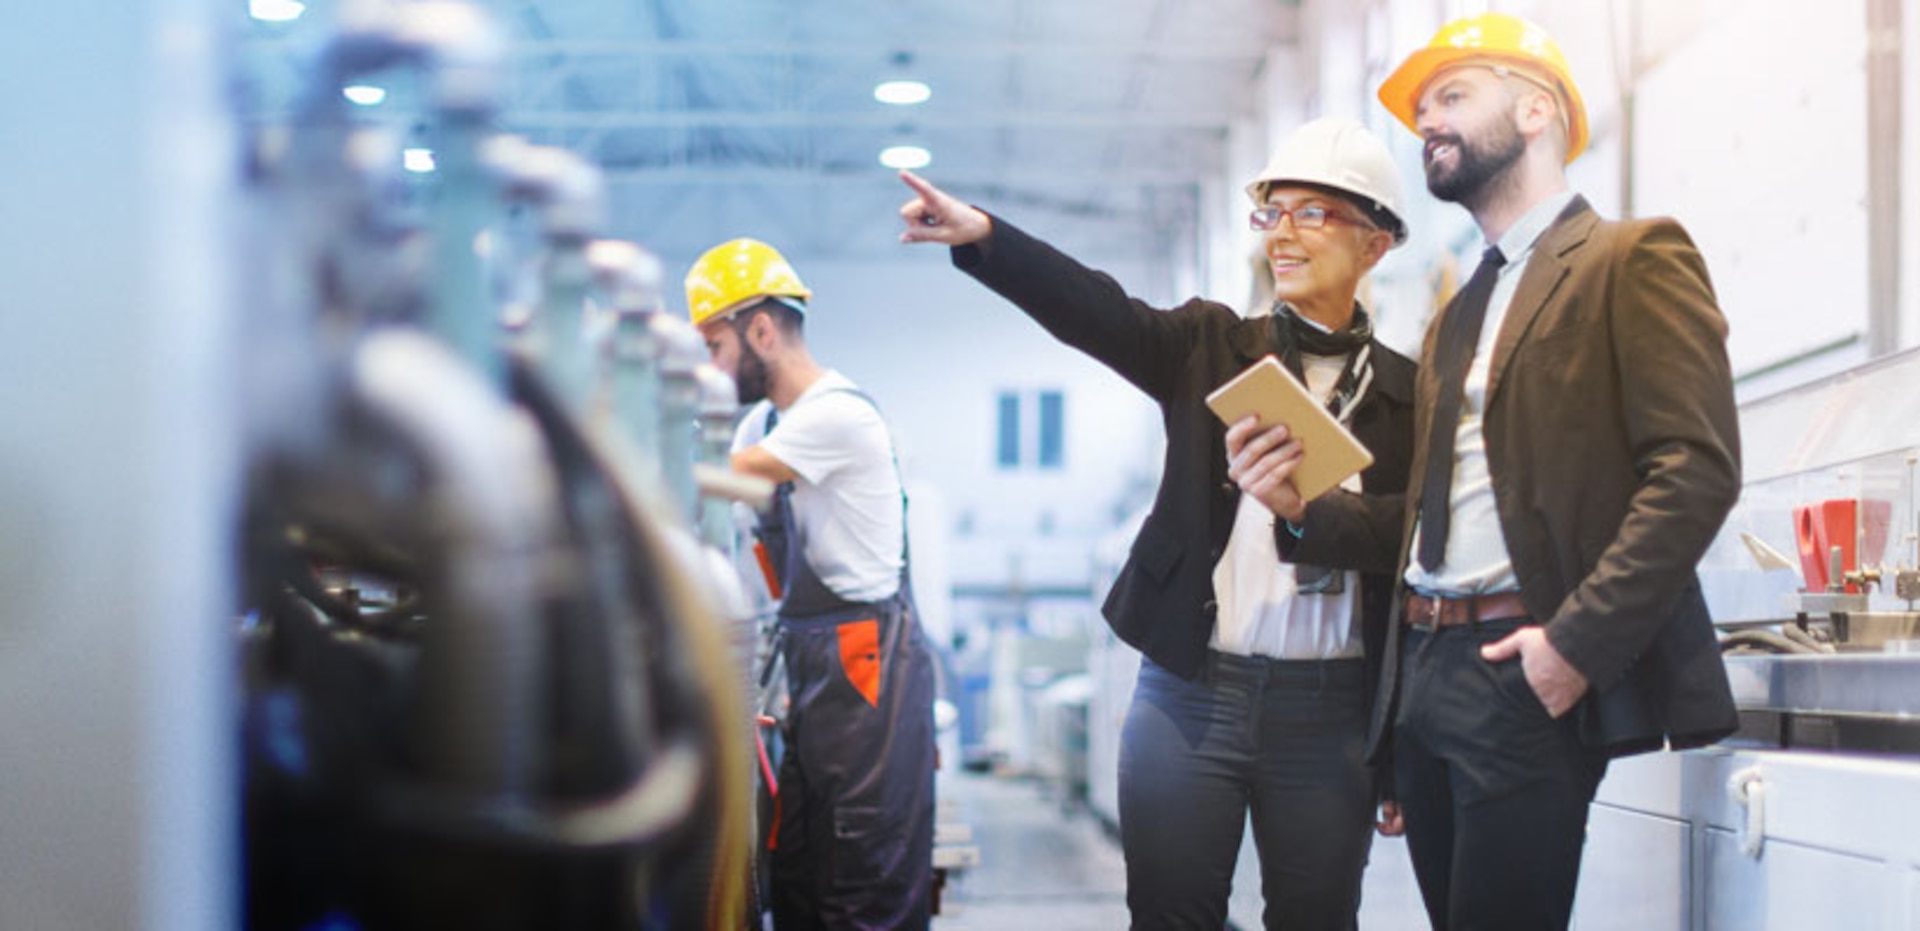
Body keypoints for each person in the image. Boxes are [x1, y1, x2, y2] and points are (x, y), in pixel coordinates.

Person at [1242, 13, 1743, 929]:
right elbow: (1424, 520)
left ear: (1536, 110)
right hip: (1427, 671)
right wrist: (1304, 507)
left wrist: (1573, 650)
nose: (1428, 119)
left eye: (1453, 96)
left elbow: (1696, 471)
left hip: (1526, 665)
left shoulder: (1630, 260)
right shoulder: (1457, 312)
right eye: (1422, 107)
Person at [899, 117, 1418, 929]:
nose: (1282, 234)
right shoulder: (1211, 345)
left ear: (1377, 244)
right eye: (1271, 213)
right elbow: (1098, 311)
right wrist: (989, 240)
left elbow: (1410, 538)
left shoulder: (1407, 396)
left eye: (1310, 213)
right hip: (1191, 693)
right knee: (1171, 916)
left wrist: (1312, 517)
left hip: (1331, 710)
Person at [684, 238, 936, 931]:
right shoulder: (764, 422)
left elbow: (716, 479)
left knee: (862, 874)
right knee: (798, 867)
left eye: (714, 346)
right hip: (813, 669)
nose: (711, 368)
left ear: (760, 328)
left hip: (867, 669)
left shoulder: (835, 413)